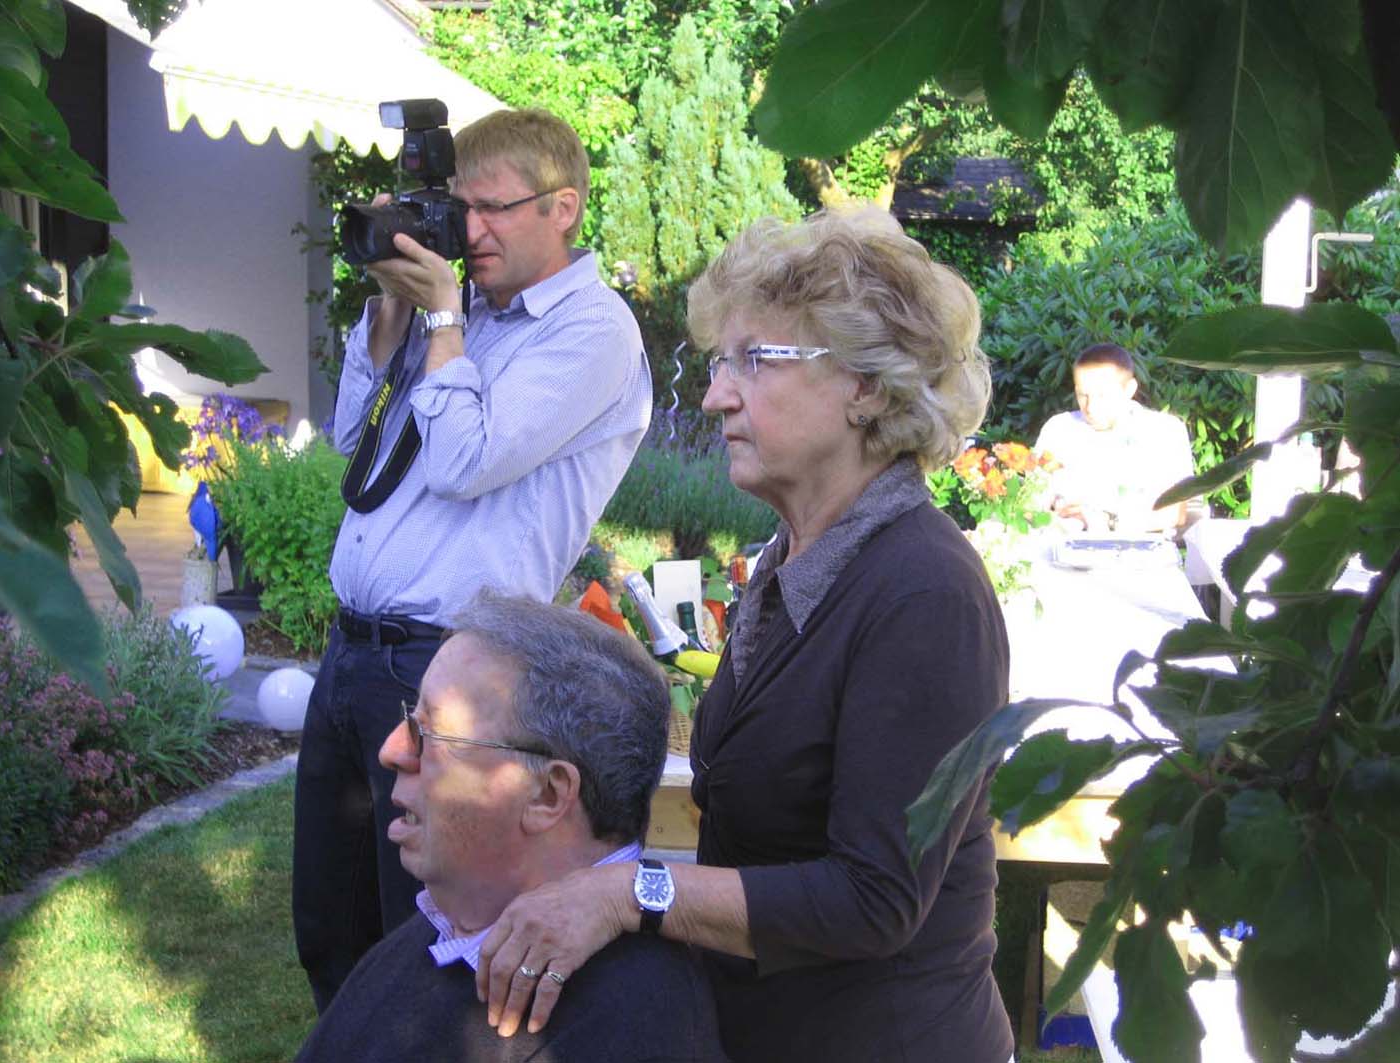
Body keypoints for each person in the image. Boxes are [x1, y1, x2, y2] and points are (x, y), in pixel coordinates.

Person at [473, 206, 1015, 1062]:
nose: (715, 393)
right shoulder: (797, 556)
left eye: (755, 360)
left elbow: (873, 899)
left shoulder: (924, 592)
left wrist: (627, 894)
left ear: (865, 386)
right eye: (720, 361)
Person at [292, 107, 652, 1013]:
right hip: (354, 656)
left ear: (562, 207)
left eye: (493, 209)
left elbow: (462, 463)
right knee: (329, 919)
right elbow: (353, 439)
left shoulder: (592, 332)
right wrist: (390, 305)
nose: (470, 232)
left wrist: (445, 315)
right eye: (460, 208)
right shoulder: (461, 316)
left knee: (414, 933)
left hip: (445, 669)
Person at [293, 595, 726, 1062]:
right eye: (408, 719)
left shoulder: (631, 1026)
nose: (393, 750)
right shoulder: (450, 922)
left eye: (430, 733)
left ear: (547, 795)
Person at [1035, 343, 1194, 533]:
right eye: (1083, 395)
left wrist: (1105, 521)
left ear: (1129, 389)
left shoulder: (1163, 432)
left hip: (1140, 552)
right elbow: (1031, 499)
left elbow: (1180, 512)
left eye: (1103, 395)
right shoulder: (1059, 429)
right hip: (1062, 548)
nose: (1091, 407)